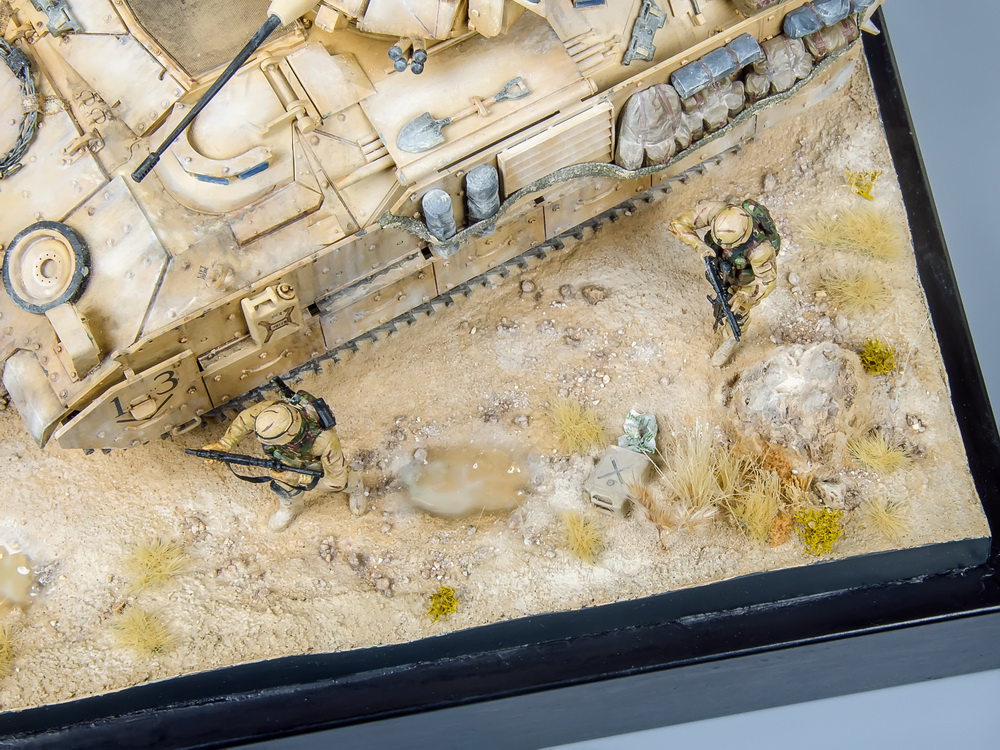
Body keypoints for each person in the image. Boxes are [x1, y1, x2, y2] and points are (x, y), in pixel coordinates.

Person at [201, 389, 367, 531]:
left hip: (313, 462)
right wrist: (224, 444)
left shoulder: (324, 441)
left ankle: (356, 487)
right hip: (285, 459)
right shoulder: (270, 410)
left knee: (345, 481)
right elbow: (245, 421)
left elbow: (336, 481)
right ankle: (291, 507)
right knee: (282, 485)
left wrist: (299, 478)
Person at [669, 198, 780, 366]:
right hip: (722, 265)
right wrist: (699, 245)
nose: (725, 247)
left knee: (738, 310)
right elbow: (677, 225)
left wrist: (745, 296)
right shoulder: (715, 211)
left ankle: (731, 339)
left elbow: (767, 282)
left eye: (729, 245)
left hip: (745, 280)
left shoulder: (761, 250)